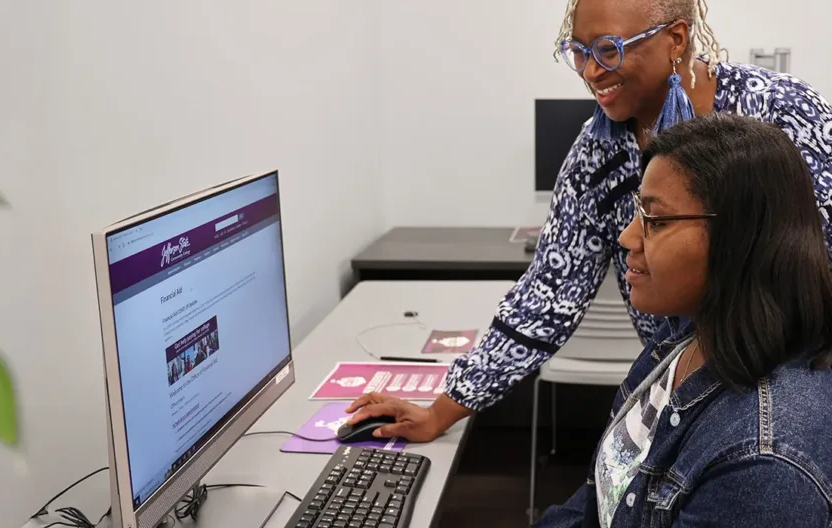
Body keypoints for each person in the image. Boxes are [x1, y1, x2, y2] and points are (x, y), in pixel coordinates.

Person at [344, 0, 832, 443]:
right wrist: (441, 412)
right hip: (681, 385)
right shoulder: (596, 154)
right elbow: (549, 293)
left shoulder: (782, 115)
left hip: (786, 395)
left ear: (676, 39)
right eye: (577, 51)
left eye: (609, 50)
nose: (591, 70)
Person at [538, 113, 832, 525]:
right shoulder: (685, 336)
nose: (626, 237)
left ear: (739, 236)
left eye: (655, 220)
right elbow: (595, 502)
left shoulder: (763, 465)